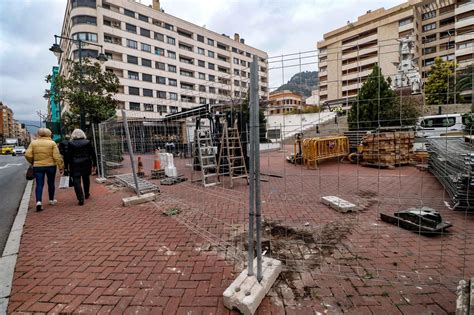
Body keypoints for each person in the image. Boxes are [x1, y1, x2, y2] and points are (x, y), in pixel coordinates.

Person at [25, 128, 64, 212]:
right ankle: (51, 200)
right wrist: (61, 167)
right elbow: (57, 156)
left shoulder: (33, 143)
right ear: (49, 134)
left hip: (38, 166)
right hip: (51, 166)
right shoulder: (52, 143)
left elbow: (27, 154)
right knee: (50, 183)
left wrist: (32, 161)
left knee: (39, 184)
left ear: (38, 134)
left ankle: (38, 201)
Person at [65, 129, 96, 205]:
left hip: (74, 163)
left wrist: (66, 166)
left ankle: (80, 198)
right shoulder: (87, 142)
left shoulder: (70, 143)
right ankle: (86, 193)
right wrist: (94, 163)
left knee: (76, 180)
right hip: (86, 162)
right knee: (86, 178)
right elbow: (92, 153)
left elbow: (68, 155)